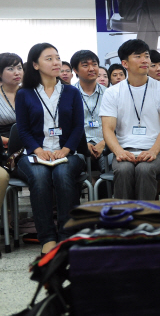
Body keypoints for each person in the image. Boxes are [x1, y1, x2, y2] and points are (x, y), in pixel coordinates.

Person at [16, 43, 85, 255]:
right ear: (35, 65)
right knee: (39, 177)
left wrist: (65, 150)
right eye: (49, 59)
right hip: (34, 155)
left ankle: (66, 235)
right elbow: (23, 130)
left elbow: (77, 126)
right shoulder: (24, 94)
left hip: (67, 153)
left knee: (63, 174)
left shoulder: (72, 92)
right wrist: (37, 150)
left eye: (57, 57)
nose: (56, 62)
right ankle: (46, 236)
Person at [100, 39, 160, 200]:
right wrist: (119, 151)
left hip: (155, 150)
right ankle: (123, 217)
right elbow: (107, 128)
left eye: (146, 56)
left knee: (144, 169)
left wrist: (153, 151)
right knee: (124, 169)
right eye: (138, 56)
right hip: (125, 150)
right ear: (125, 63)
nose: (145, 60)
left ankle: (144, 219)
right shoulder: (112, 92)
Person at [71, 50, 109, 173]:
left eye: (94, 64)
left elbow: (120, 124)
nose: (91, 68)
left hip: (106, 144)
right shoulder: (68, 95)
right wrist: (82, 144)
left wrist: (105, 143)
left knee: (114, 165)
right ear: (75, 70)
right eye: (85, 65)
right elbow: (65, 125)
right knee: (71, 167)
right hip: (78, 146)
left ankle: (108, 193)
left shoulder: (110, 94)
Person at [0, 53, 23, 146]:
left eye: (19, 68)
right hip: (4, 144)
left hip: (32, 142)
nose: (17, 72)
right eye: (10, 69)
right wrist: (10, 142)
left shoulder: (31, 92)